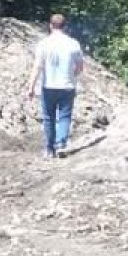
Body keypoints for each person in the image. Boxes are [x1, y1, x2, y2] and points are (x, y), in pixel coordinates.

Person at [25, 13, 84, 159]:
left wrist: (31, 87)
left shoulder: (44, 44)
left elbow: (37, 66)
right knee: (64, 116)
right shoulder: (73, 43)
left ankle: (50, 149)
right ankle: (61, 144)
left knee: (48, 118)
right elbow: (80, 66)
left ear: (50, 26)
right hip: (67, 86)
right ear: (65, 27)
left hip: (49, 86)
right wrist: (73, 76)